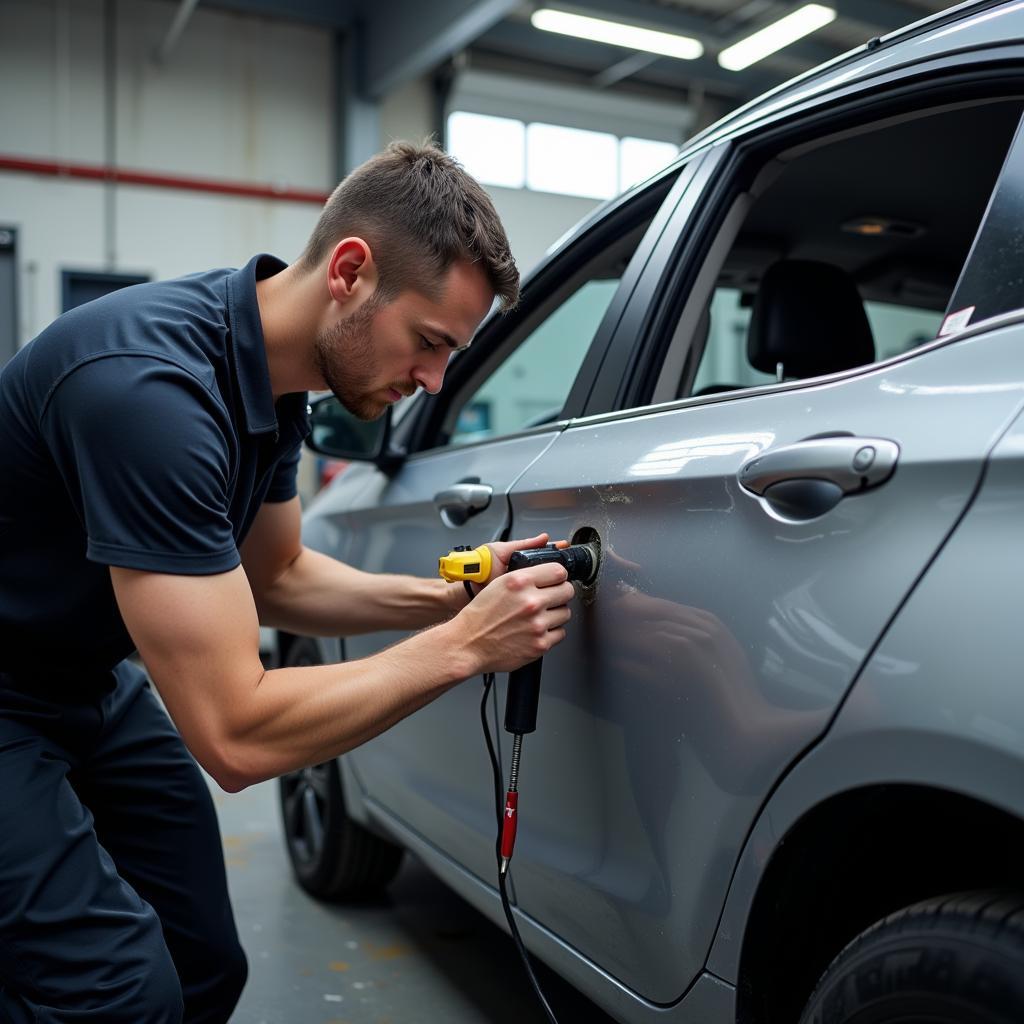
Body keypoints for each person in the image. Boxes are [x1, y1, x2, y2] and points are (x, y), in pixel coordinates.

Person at [0, 141, 575, 1023]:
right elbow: (236, 736)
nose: (432, 381)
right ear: (351, 271)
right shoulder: (147, 394)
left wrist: (452, 598)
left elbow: (280, 577)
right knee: (114, 992)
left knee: (203, 964)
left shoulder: (279, 385)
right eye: (428, 342)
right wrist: (464, 647)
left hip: (86, 678)